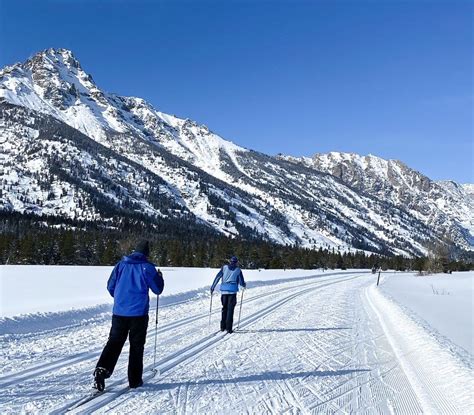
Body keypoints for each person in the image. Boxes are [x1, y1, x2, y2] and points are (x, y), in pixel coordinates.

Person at [93, 240, 164, 391]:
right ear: (146, 253)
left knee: (114, 343)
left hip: (119, 312)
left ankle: (102, 369)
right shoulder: (147, 267)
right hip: (138, 314)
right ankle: (134, 380)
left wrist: (121, 299)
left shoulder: (120, 265)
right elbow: (157, 289)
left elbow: (110, 286)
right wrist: (160, 277)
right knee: (136, 346)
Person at [210, 256, 246, 334]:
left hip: (224, 292)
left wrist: (212, 287)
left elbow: (217, 277)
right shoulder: (238, 270)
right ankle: (229, 329)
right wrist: (243, 286)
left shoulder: (224, 268)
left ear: (230, 261)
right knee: (230, 310)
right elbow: (241, 282)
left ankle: (222, 327)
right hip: (232, 292)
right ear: (236, 262)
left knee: (224, 308)